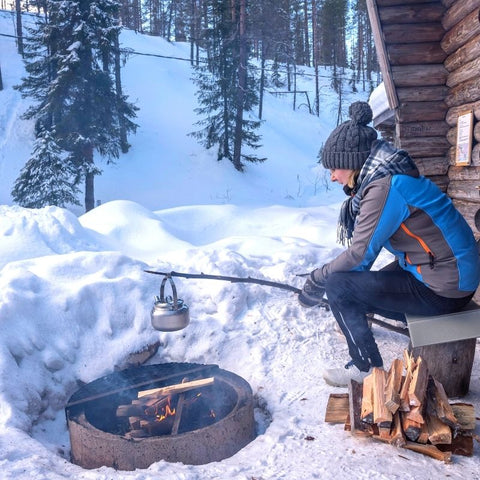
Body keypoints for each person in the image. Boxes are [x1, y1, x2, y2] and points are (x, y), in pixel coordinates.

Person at [298, 101, 480, 387]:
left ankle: (365, 369)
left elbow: (358, 256)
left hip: (446, 288)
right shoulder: (389, 178)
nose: (333, 176)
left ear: (352, 163)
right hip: (445, 272)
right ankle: (363, 340)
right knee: (351, 287)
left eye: (334, 169)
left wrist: (317, 279)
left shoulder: (384, 189)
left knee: (338, 287)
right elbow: (363, 258)